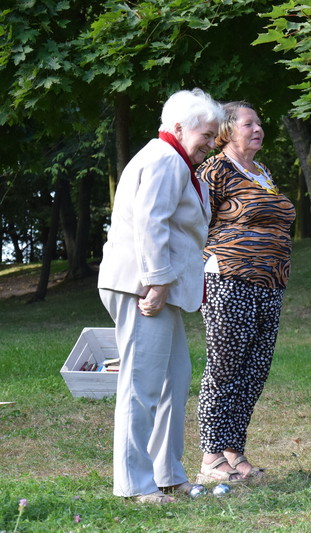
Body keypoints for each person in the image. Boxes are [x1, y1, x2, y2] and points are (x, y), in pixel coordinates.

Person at [97, 88, 224, 504]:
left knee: (174, 379)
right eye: (206, 134)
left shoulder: (175, 160)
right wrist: (157, 282)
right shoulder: (165, 159)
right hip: (143, 285)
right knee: (143, 385)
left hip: (156, 285)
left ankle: (167, 473)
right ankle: (134, 484)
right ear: (178, 127)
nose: (211, 143)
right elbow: (151, 224)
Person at [195, 102, 296, 484]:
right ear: (226, 130)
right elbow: (196, 223)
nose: (258, 129)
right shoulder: (214, 169)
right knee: (225, 368)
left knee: (254, 370)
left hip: (270, 282)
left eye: (260, 122)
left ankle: (234, 452)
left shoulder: (262, 172)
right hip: (228, 280)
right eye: (248, 123)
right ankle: (210, 456)